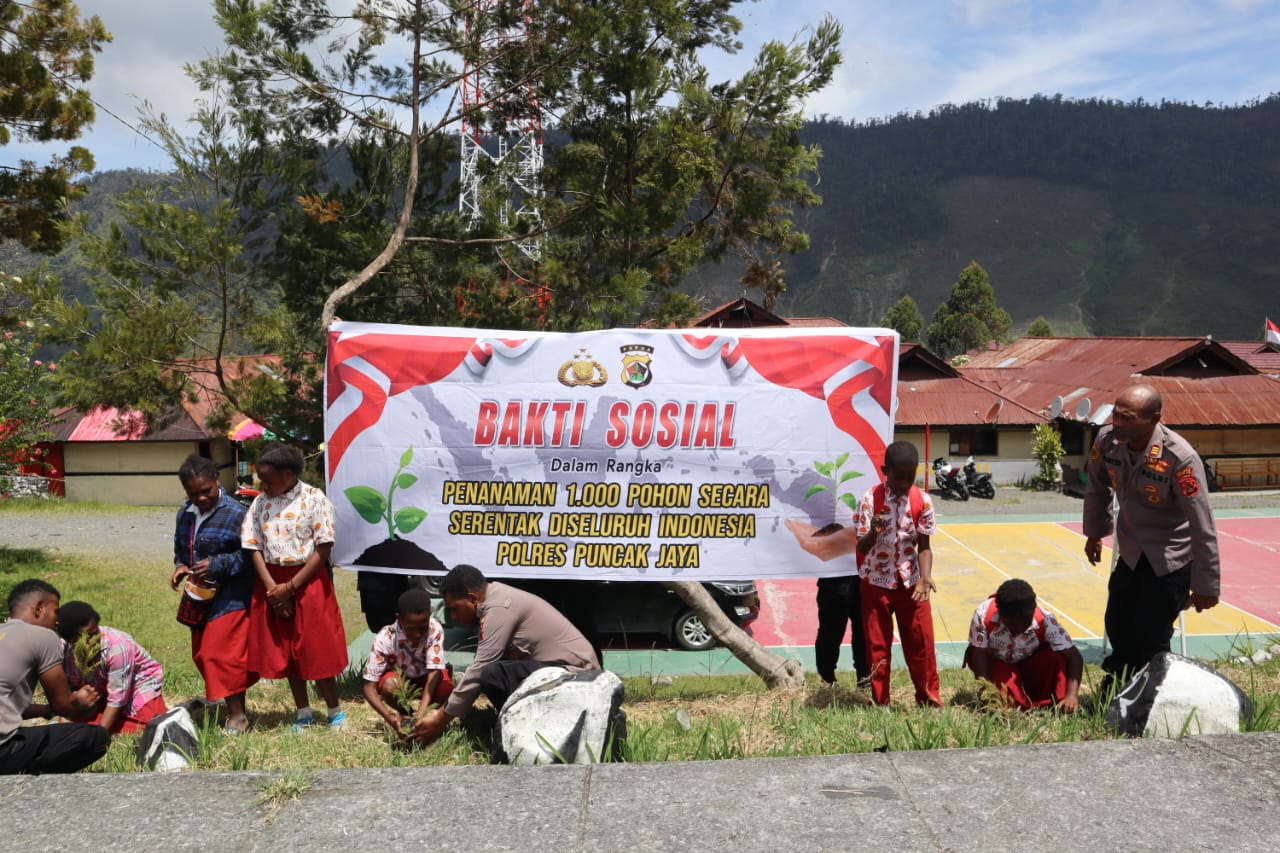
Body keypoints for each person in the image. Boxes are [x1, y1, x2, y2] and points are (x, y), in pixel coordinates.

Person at [1083, 383, 1220, 694]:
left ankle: (1149, 695)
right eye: (1116, 414)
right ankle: (1117, 684)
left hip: (1169, 558)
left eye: (1127, 418)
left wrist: (1206, 585)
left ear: (1153, 418)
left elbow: (1202, 524)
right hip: (1130, 551)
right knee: (1117, 621)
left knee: (1152, 635)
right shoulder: (1107, 441)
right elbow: (1096, 486)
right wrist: (1094, 533)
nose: (1117, 422)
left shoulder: (1179, 458)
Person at [787, 440, 939, 706]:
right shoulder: (869, 500)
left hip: (911, 583)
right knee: (877, 647)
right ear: (884, 470)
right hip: (876, 584)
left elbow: (924, 546)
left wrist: (925, 577)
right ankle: (882, 703)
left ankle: (928, 699)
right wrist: (875, 531)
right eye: (898, 476)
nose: (904, 482)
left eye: (910, 476)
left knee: (921, 645)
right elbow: (862, 545)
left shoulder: (923, 501)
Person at [412, 565, 600, 746]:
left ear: (472, 598)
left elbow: (479, 669)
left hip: (579, 676)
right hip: (568, 673)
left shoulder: (499, 608)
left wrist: (440, 719)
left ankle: (531, 730)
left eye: (454, 608)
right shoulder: (494, 600)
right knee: (495, 669)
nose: (452, 616)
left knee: (492, 674)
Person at [241, 442, 349, 731]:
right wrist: (274, 591)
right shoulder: (260, 502)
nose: (263, 486)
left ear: (288, 474)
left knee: (316, 647)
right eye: (260, 480)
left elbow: (323, 548)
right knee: (287, 649)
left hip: (309, 580)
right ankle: (303, 711)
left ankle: (334, 710)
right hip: (271, 582)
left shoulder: (314, 499)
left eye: (269, 480)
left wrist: (290, 588)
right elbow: (253, 546)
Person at [172, 454, 258, 734]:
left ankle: (238, 716)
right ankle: (229, 703)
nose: (200, 498)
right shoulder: (185, 513)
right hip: (200, 596)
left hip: (232, 595)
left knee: (219, 654)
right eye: (193, 493)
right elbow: (181, 549)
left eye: (205, 491)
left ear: (217, 482)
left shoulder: (236, 513)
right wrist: (181, 566)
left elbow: (251, 556)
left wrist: (217, 564)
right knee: (201, 653)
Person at [0, 580, 109, 774]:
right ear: (39, 608)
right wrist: (83, 700)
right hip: (3, 752)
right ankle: (33, 783)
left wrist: (46, 710)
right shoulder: (42, 635)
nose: (57, 621)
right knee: (95, 738)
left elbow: (8, 704)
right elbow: (64, 705)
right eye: (55, 612)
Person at [963, 579, 1083, 712]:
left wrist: (1071, 696)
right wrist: (985, 692)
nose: (1019, 628)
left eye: (1025, 623)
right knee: (1005, 700)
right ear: (1001, 615)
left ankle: (1050, 700)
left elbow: (1074, 656)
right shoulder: (982, 614)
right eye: (1012, 625)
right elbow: (979, 655)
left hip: (1031, 664)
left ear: (1033, 611)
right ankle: (1019, 700)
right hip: (1000, 664)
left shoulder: (1045, 619)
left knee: (1055, 658)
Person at [56, 601, 168, 734]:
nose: (94, 639)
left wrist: (99, 736)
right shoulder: (62, 650)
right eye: (86, 637)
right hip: (100, 691)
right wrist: (64, 727)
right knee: (80, 721)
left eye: (95, 632)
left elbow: (117, 699)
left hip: (136, 686)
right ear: (70, 640)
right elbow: (65, 693)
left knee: (154, 724)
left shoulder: (118, 647)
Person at [361, 588, 454, 735]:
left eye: (422, 628)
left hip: (428, 678)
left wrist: (421, 714)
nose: (417, 634)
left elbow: (434, 672)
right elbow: (369, 687)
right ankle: (406, 715)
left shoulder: (434, 628)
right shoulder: (385, 638)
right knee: (389, 685)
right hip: (402, 679)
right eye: (410, 628)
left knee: (448, 692)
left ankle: (431, 719)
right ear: (398, 618)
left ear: (429, 616)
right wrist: (390, 718)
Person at [814, 574, 869, 689]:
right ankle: (827, 680)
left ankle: (865, 679)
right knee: (830, 633)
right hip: (833, 581)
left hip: (866, 580)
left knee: (865, 632)